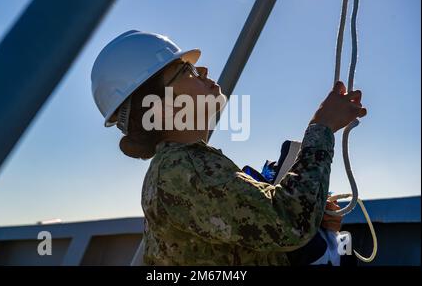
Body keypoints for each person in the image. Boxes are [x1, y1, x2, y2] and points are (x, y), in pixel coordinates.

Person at [91, 30, 366, 265]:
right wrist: (323, 126)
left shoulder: (183, 165)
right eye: (186, 70)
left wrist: (318, 222)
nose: (204, 71)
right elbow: (290, 223)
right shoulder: (183, 170)